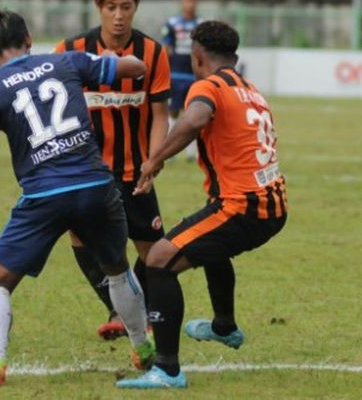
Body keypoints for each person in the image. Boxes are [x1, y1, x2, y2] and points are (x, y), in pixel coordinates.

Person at [0, 10, 155, 386]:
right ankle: (143, 347)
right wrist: (122, 60)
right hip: (95, 186)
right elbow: (134, 68)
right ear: (28, 37)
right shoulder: (65, 61)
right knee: (117, 268)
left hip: (45, 196)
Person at [117, 20, 288, 389]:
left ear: (196, 57)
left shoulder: (207, 85)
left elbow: (194, 120)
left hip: (242, 206)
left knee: (158, 259)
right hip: (271, 205)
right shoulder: (251, 90)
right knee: (208, 243)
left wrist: (155, 158)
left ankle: (167, 370)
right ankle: (223, 327)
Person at [54, 0, 171, 340]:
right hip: (87, 172)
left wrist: (155, 159)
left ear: (136, 6)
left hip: (134, 170)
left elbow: (159, 114)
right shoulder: (70, 51)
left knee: (155, 252)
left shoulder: (152, 52)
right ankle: (119, 309)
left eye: (125, 6)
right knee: (81, 239)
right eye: (110, 7)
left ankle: (131, 309)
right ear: (98, 7)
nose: (118, 16)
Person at [161, 0, 201, 160]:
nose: (189, 4)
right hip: (176, 74)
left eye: (192, 0)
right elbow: (166, 47)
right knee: (173, 111)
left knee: (192, 113)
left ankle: (192, 153)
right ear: (181, 2)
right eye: (186, 0)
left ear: (196, 2)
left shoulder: (201, 24)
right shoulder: (172, 23)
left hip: (194, 75)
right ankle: (172, 152)